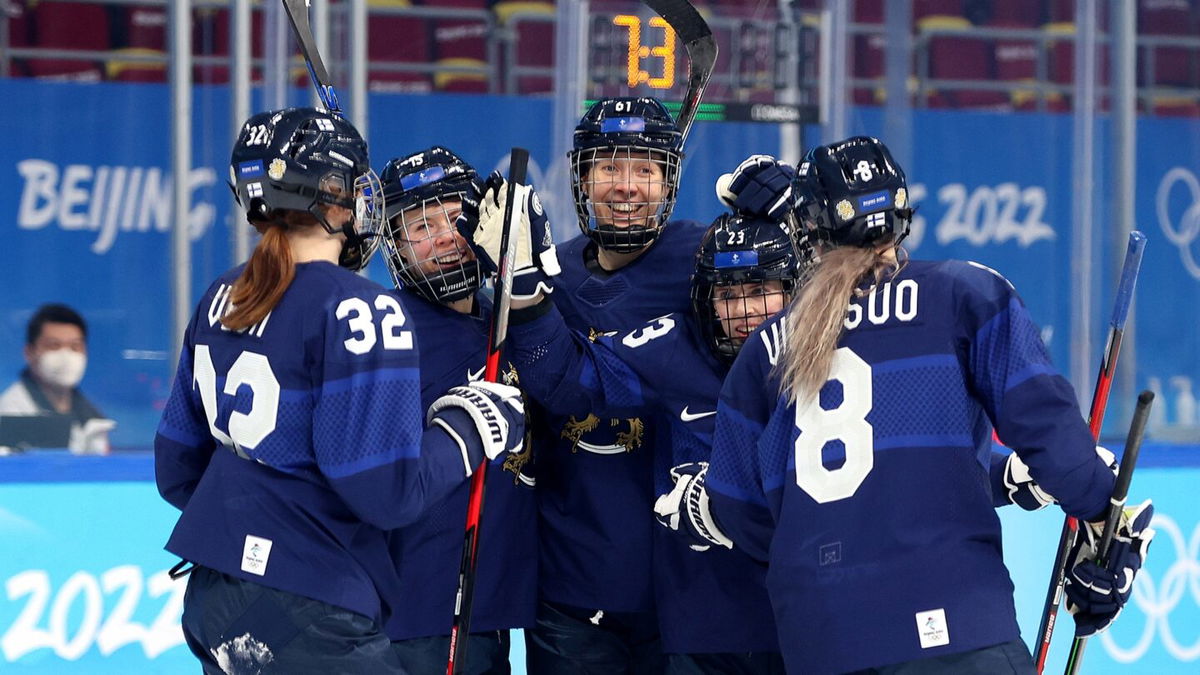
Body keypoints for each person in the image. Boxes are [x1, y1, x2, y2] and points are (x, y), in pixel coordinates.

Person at [672, 136, 1156, 674]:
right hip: (959, 629)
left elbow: (740, 508)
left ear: (807, 230)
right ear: (902, 212)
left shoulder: (766, 349)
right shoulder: (964, 294)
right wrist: (1105, 524)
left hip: (822, 642)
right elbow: (1049, 433)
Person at [154, 108, 525, 674]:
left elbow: (177, 469)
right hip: (311, 603)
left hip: (214, 594)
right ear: (334, 200)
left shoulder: (222, 294)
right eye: (355, 187)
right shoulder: (360, 306)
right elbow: (388, 493)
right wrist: (467, 433)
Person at [464, 211, 803, 674]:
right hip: (704, 636)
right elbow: (564, 377)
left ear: (795, 289)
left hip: (803, 620)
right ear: (704, 299)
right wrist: (525, 289)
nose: (745, 312)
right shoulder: (675, 347)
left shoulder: (840, 348)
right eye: (728, 293)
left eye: (761, 290)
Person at [515, 96, 708, 674]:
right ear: (581, 178)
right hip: (572, 590)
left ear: (667, 182)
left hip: (685, 588)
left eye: (644, 168)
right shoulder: (549, 271)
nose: (625, 186)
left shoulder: (708, 263)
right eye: (608, 167)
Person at [376, 146, 541, 673]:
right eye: (422, 225)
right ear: (395, 244)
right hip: (410, 621)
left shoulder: (510, 321)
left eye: (456, 216)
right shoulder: (380, 330)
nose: (446, 235)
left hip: (488, 614)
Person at [0, 303, 112, 453]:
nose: (66, 356)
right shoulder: (9, 413)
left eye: (75, 347)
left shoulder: (93, 415)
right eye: (54, 346)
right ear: (29, 353)